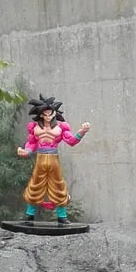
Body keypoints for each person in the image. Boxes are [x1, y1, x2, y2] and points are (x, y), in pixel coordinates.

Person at [17, 94, 90, 226]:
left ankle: (62, 217)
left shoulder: (61, 127)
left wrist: (81, 132)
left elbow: (71, 141)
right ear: (40, 114)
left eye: (49, 113)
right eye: (44, 113)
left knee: (58, 186)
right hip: (40, 159)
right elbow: (31, 144)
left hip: (53, 159)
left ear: (54, 113)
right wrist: (26, 151)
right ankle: (29, 216)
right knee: (34, 185)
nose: (47, 116)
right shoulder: (34, 128)